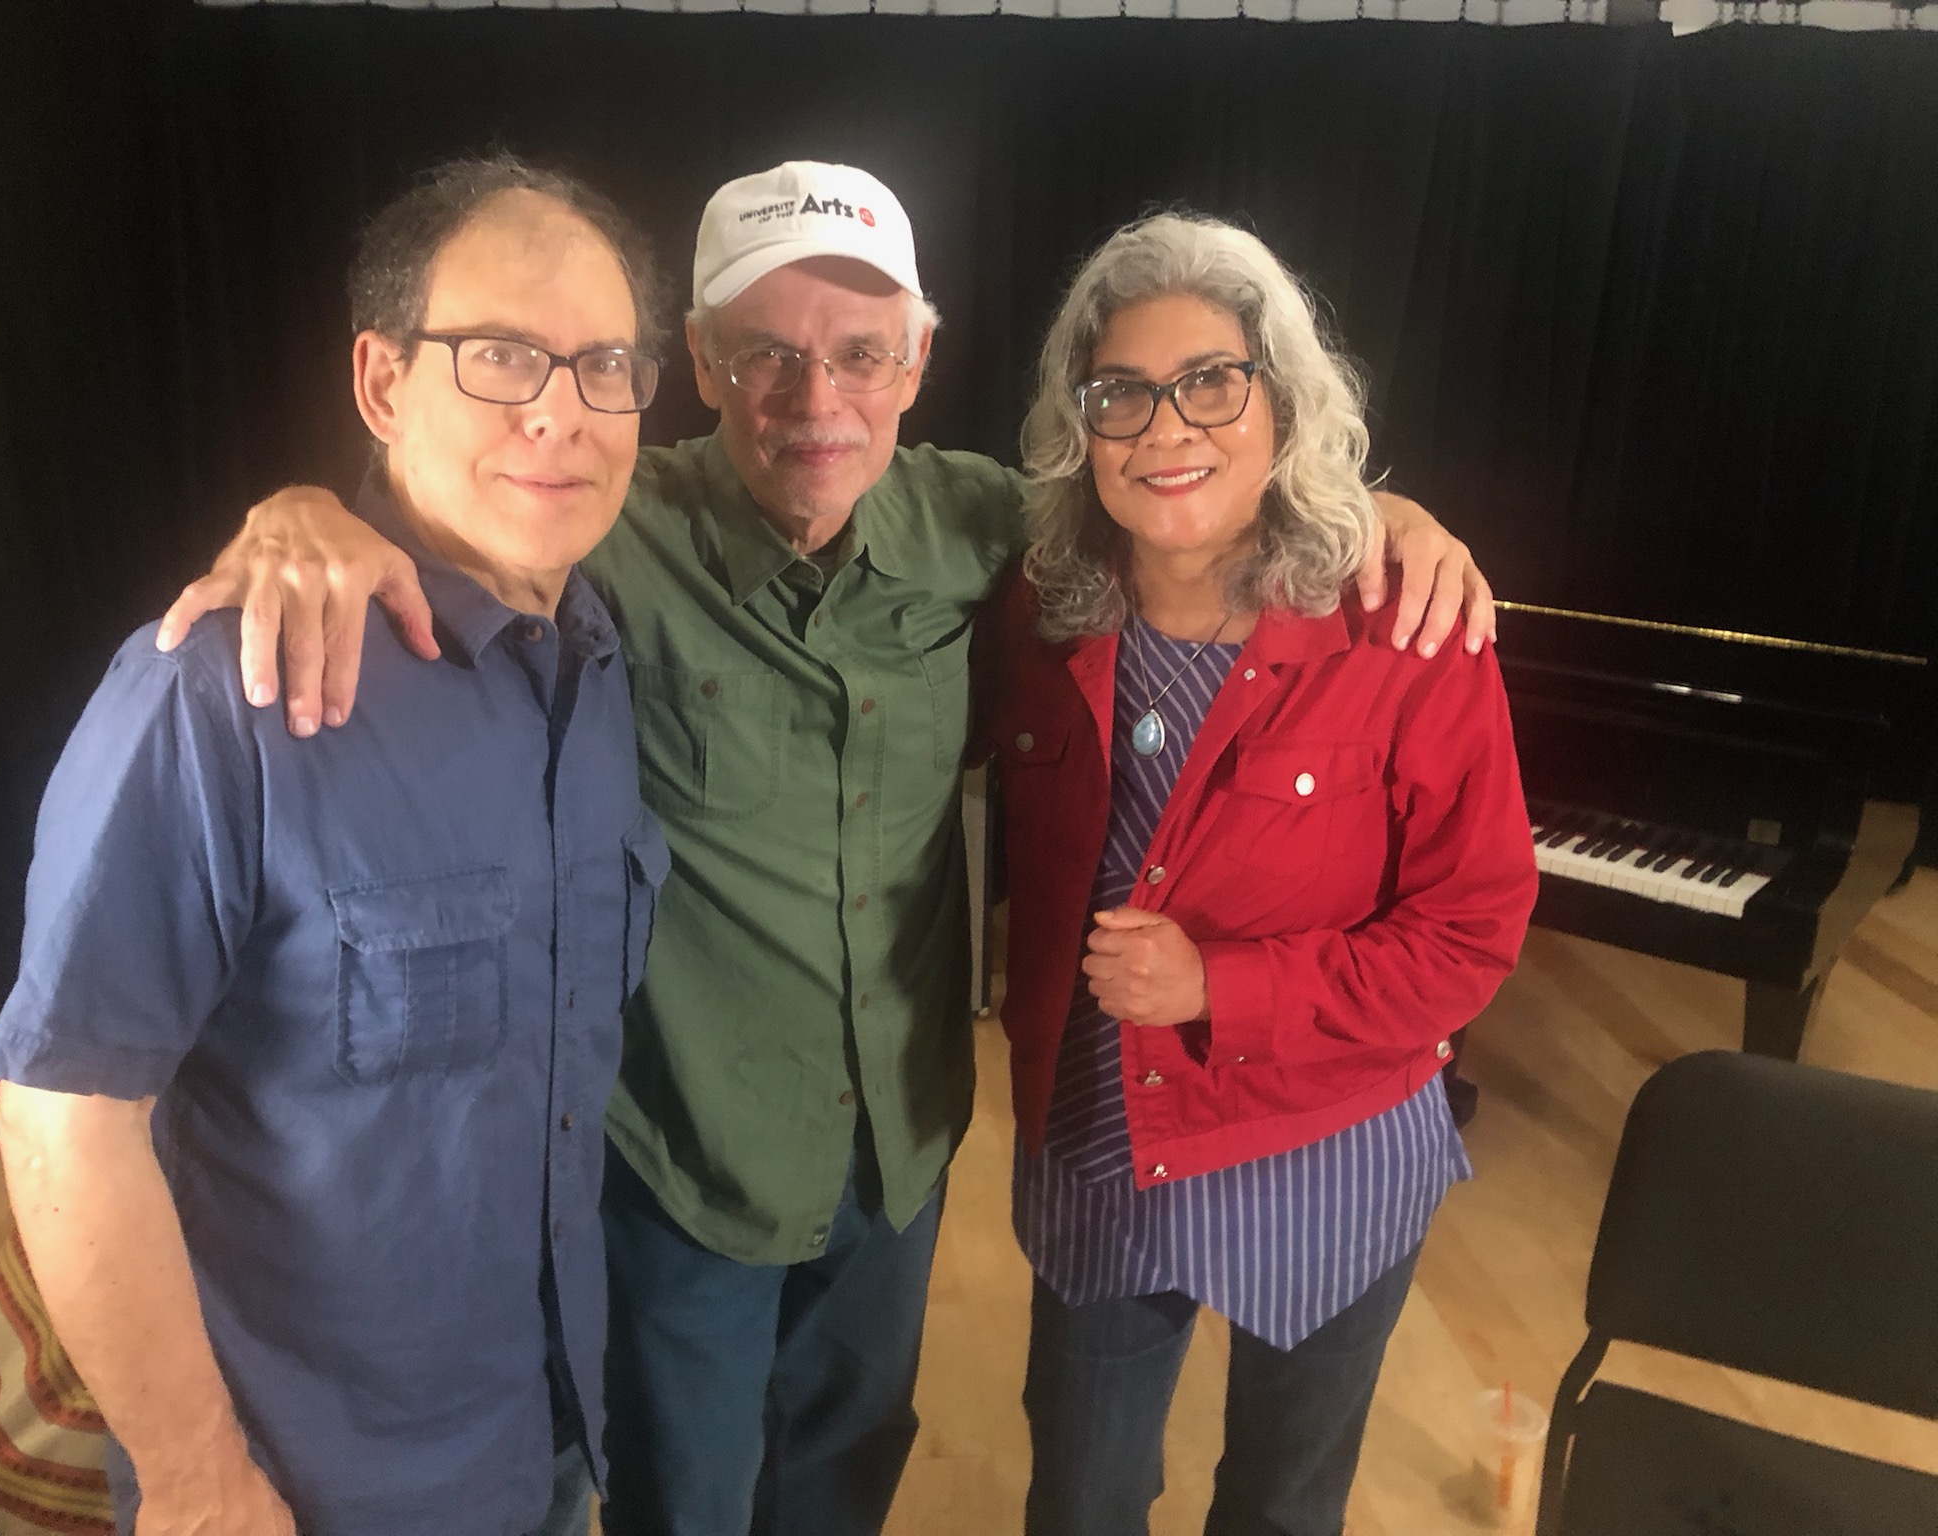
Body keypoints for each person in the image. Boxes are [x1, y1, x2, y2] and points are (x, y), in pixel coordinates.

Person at [156, 162, 1497, 1536]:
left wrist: (1382, 520)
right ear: (700, 363)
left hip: (894, 1165)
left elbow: (1189, 501)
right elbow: (457, 506)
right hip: (693, 1168)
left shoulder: (987, 530)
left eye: (862, 354)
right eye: (767, 357)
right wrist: (307, 510)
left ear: (917, 359)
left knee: (845, 1488)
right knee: (689, 1504)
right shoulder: (611, 525)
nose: (819, 402)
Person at [0, 154, 669, 1536]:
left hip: (543, 1428)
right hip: (308, 1485)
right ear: (381, 382)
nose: (561, 410)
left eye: (605, 364)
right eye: (500, 355)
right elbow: (62, 1118)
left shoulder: (594, 669)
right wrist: (194, 1478)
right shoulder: (216, 693)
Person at [984, 212, 1538, 1536]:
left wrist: (1221, 988)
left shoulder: (1405, 627)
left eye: (1212, 383)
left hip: (1328, 1147)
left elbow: (1471, 935)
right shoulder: (1035, 608)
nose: (1163, 427)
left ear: (1283, 405)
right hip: (1102, 1139)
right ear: (1081, 425)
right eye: (1121, 393)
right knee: (1080, 1499)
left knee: (1285, 1509)